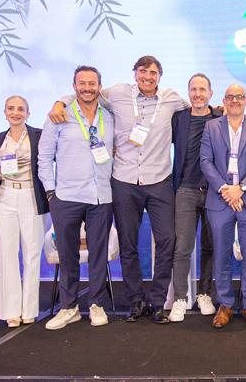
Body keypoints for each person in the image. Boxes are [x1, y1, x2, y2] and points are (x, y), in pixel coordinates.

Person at [49, 56, 189, 324]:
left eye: (153, 73)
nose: (147, 77)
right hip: (124, 181)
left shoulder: (172, 98)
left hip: (159, 181)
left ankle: (158, 302)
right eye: (143, 71)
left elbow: (197, 105)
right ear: (135, 73)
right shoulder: (116, 94)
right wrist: (60, 102)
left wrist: (219, 108)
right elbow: (85, 94)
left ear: (160, 76)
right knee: (128, 243)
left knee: (166, 240)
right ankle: (135, 300)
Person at [39, 65, 115, 330]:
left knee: (98, 254)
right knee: (67, 254)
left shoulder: (110, 116)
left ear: (99, 87)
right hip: (66, 195)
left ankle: (96, 304)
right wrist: (51, 192)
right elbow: (44, 157)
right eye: (82, 83)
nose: (87, 88)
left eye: (92, 83)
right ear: (74, 87)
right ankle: (69, 307)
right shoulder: (59, 116)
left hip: (101, 195)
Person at [200, 84, 246, 328]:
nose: (235, 100)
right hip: (220, 200)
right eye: (230, 97)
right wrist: (225, 189)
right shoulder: (211, 127)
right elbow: (205, 161)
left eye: (239, 97)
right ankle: (226, 304)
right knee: (221, 255)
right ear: (224, 100)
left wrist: (241, 188)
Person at [0, 95, 49, 328]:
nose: (15, 112)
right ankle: (11, 311)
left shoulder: (39, 136)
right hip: (4, 197)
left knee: (32, 254)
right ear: (5, 112)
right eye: (11, 108)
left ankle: (29, 309)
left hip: (31, 197)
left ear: (28, 113)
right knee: (7, 254)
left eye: (20, 109)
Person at [167, 73, 221, 322]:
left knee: (210, 246)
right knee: (182, 247)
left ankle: (204, 294)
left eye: (202, 89)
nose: (198, 94)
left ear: (210, 93)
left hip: (214, 191)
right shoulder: (178, 118)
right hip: (185, 190)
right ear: (188, 92)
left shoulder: (219, 117)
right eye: (193, 89)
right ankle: (180, 298)